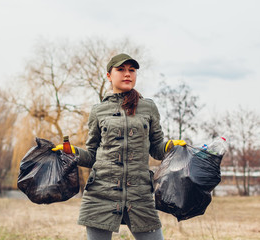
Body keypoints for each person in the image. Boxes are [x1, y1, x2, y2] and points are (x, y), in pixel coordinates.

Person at [53, 53, 186, 240]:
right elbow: (92, 155)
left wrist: (170, 146)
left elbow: (156, 148)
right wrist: (71, 152)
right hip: (101, 192)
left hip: (139, 194)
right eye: (121, 69)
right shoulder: (99, 111)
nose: (127, 74)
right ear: (109, 76)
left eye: (132, 70)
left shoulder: (148, 107)